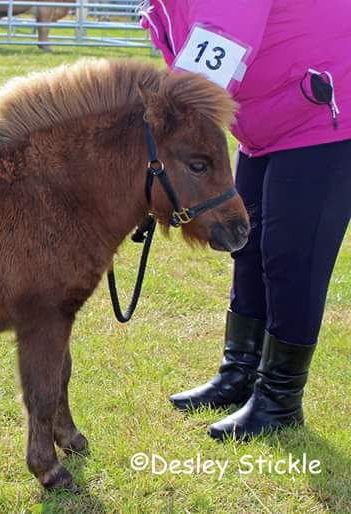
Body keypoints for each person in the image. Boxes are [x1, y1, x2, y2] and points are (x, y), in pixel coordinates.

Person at [138, 0, 351, 439]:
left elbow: (209, 60)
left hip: (326, 113)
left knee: (293, 257)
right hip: (271, 119)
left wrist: (140, 133)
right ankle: (239, 374)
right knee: (250, 248)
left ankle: (279, 399)